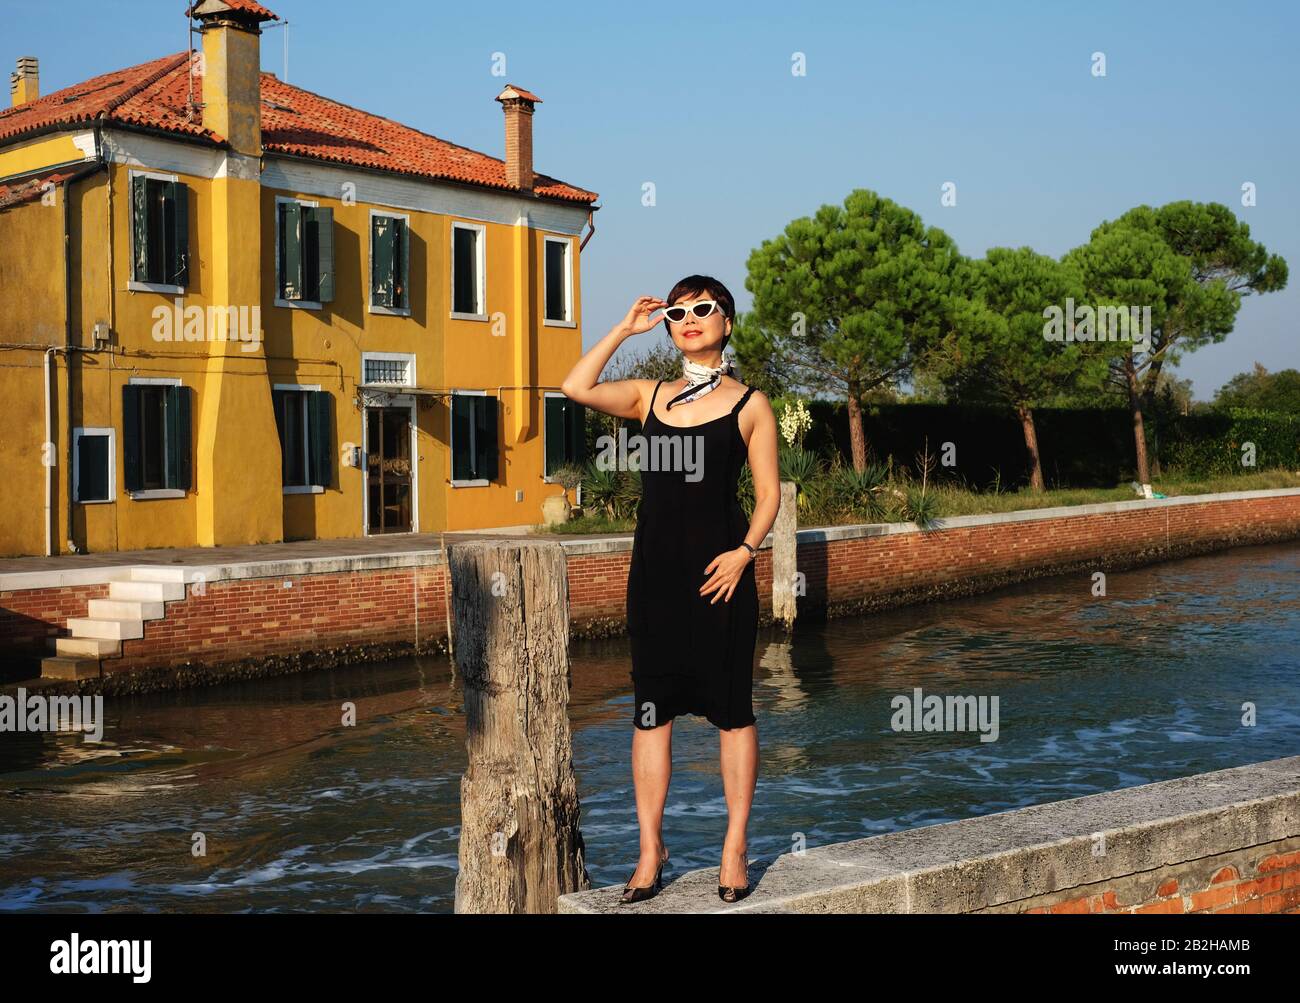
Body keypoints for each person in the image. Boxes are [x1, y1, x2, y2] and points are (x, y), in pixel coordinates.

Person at [560, 275, 781, 904]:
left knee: (732, 712)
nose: (689, 319)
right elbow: (574, 387)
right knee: (650, 713)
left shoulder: (750, 405)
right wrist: (624, 330)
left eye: (703, 309)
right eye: (677, 312)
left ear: (726, 322)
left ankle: (734, 847)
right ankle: (650, 851)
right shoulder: (648, 397)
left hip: (722, 579)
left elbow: (768, 496)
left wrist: (744, 555)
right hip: (655, 579)